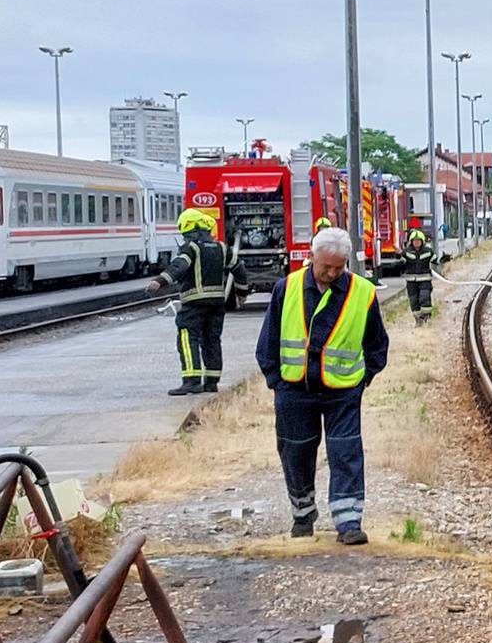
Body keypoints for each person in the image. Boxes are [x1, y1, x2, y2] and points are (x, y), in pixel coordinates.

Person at [254, 227, 390, 544]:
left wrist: (363, 378)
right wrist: (275, 380)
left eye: (338, 267)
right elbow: (268, 342)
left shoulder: (363, 292)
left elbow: (377, 344)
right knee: (296, 452)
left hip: (342, 391)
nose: (331, 273)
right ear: (310, 257)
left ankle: (349, 523)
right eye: (325, 266)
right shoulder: (285, 289)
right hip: (293, 390)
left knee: (346, 453)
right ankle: (302, 515)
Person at [144, 207, 245, 395]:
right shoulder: (222, 248)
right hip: (217, 304)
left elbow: (179, 266)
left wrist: (159, 281)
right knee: (212, 340)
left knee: (187, 337)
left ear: (189, 230)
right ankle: (211, 382)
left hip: (194, 303)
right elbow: (239, 269)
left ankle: (191, 381)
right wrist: (241, 293)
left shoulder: (192, 248)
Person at [403, 223, 435, 325]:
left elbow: (435, 261)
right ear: (411, 242)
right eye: (414, 241)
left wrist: (443, 261)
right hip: (411, 281)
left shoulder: (428, 251)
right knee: (413, 300)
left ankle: (426, 317)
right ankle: (418, 320)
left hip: (425, 279)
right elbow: (402, 262)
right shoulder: (407, 252)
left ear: (422, 241)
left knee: (424, 297)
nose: (416, 242)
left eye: (418, 241)